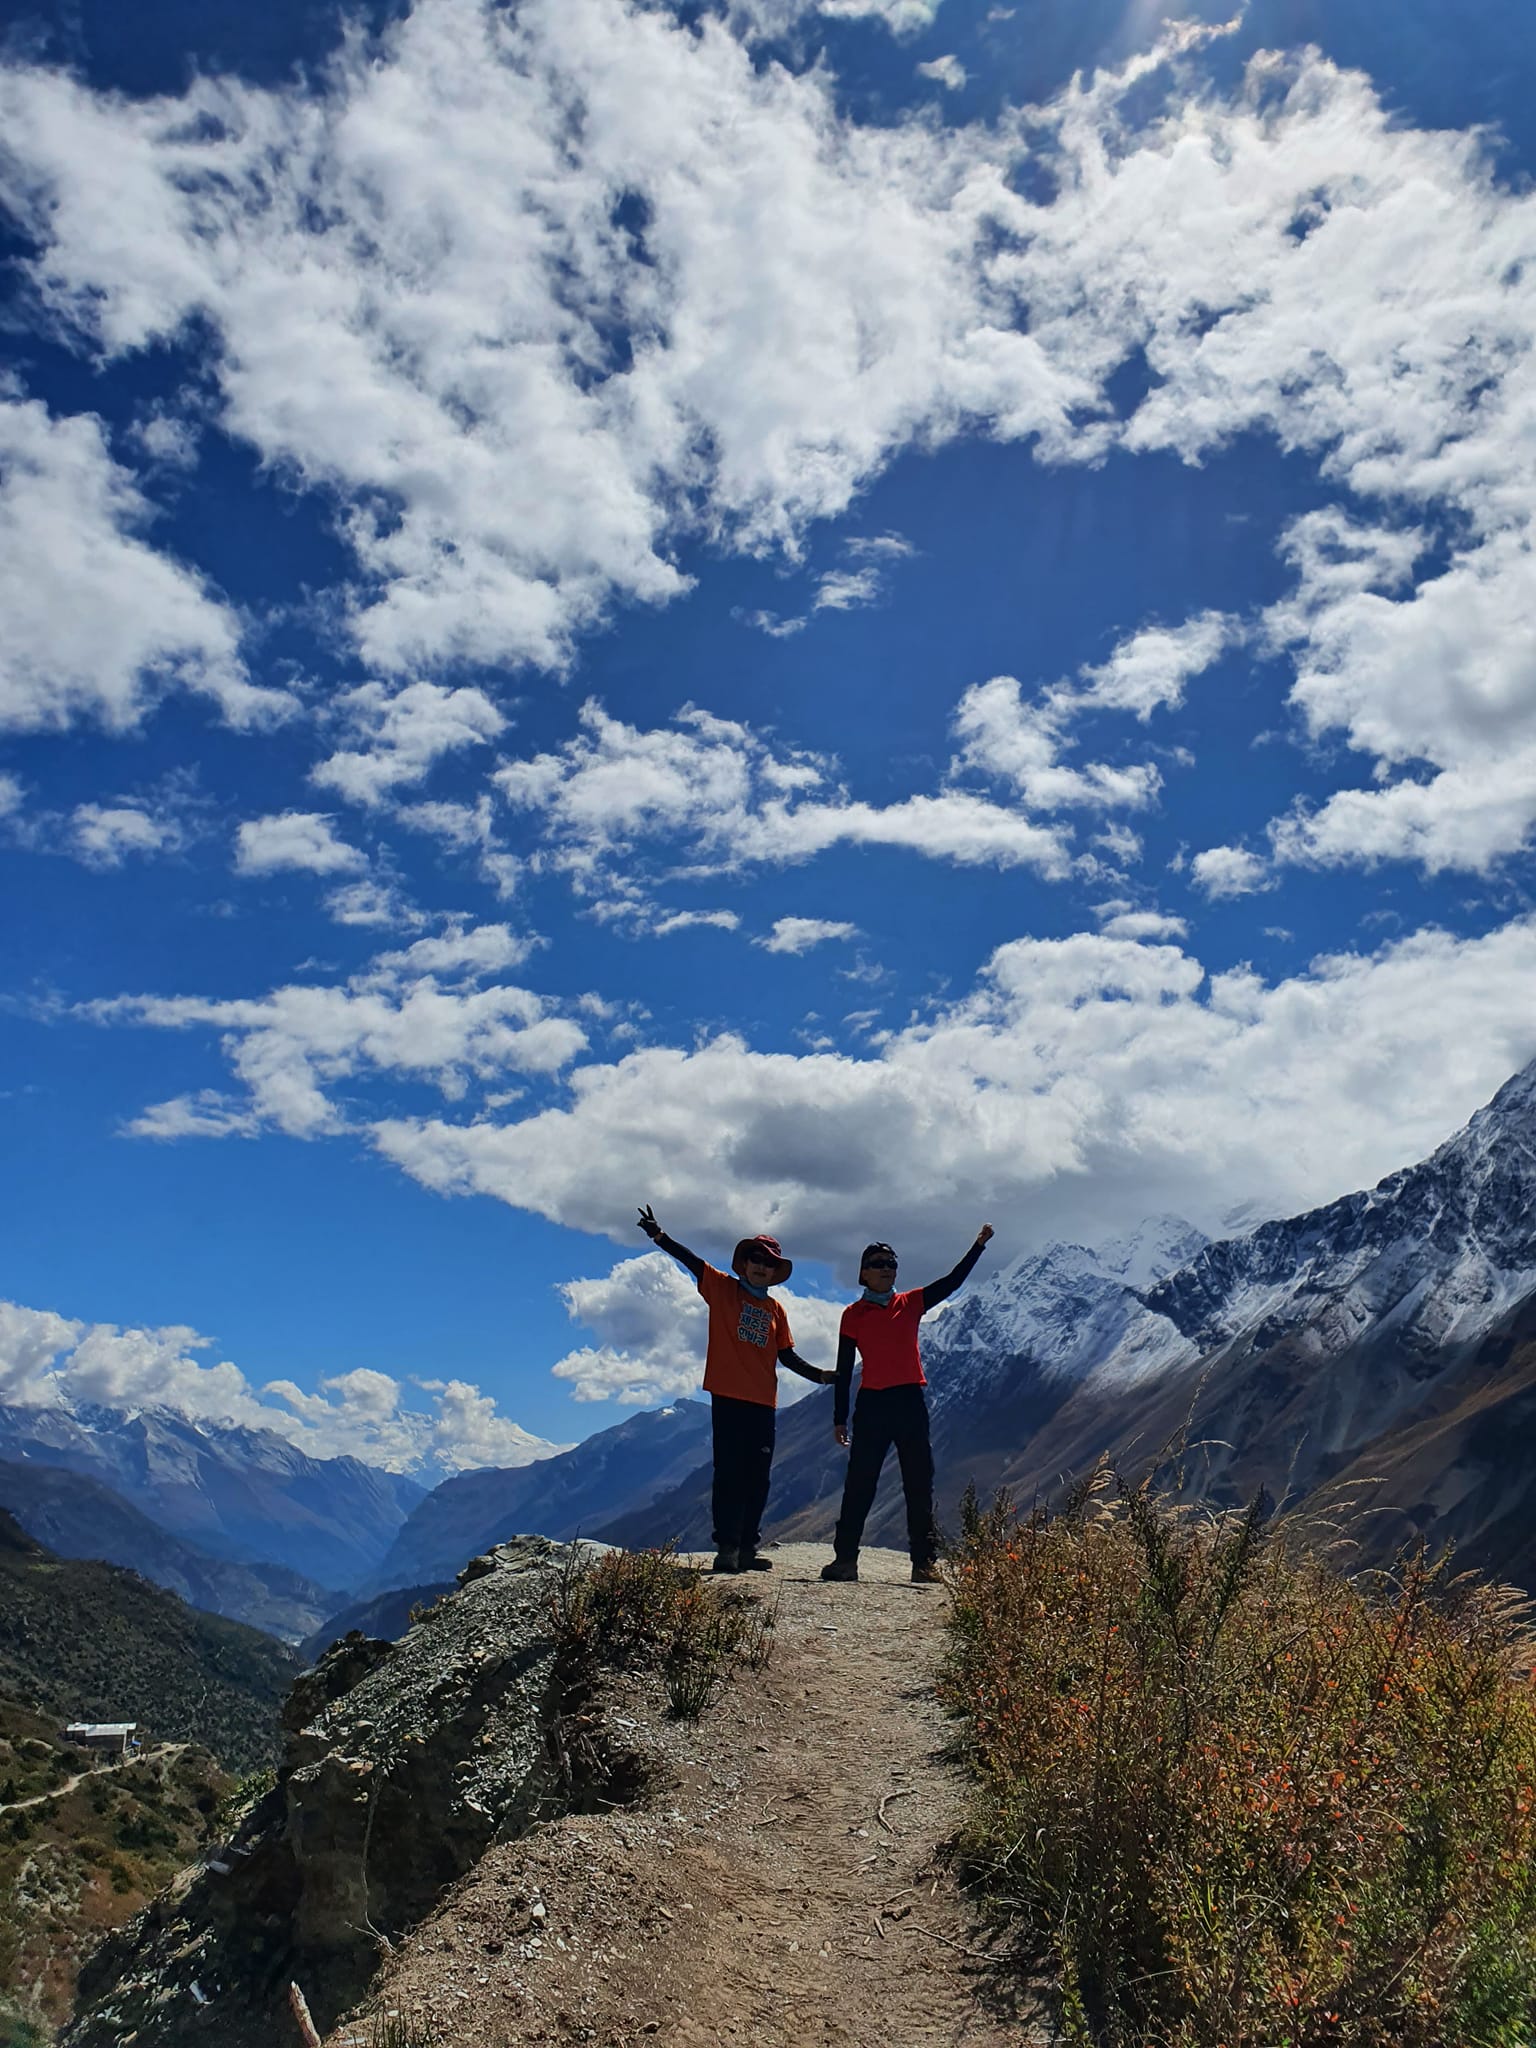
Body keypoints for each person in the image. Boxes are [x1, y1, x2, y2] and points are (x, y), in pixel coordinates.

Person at [637, 1204, 833, 1574]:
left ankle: (746, 1548)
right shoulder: (722, 1289)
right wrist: (660, 1236)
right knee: (728, 1474)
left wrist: (820, 1375)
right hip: (728, 1396)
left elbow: (786, 1355)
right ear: (744, 1263)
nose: (761, 1266)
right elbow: (692, 1262)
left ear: (774, 1272)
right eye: (756, 1258)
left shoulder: (776, 1310)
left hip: (763, 1402)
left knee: (758, 1478)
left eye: (769, 1263)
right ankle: (726, 1547)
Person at [821, 1224, 995, 1586]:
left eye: (891, 1263)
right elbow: (843, 1369)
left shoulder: (911, 1302)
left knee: (919, 1482)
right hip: (872, 1404)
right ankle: (845, 1560)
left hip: (909, 1400)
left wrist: (978, 1246)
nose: (886, 1268)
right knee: (860, 1484)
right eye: (878, 1263)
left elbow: (952, 1282)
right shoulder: (852, 1315)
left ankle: (924, 1564)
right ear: (863, 1273)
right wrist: (839, 1418)